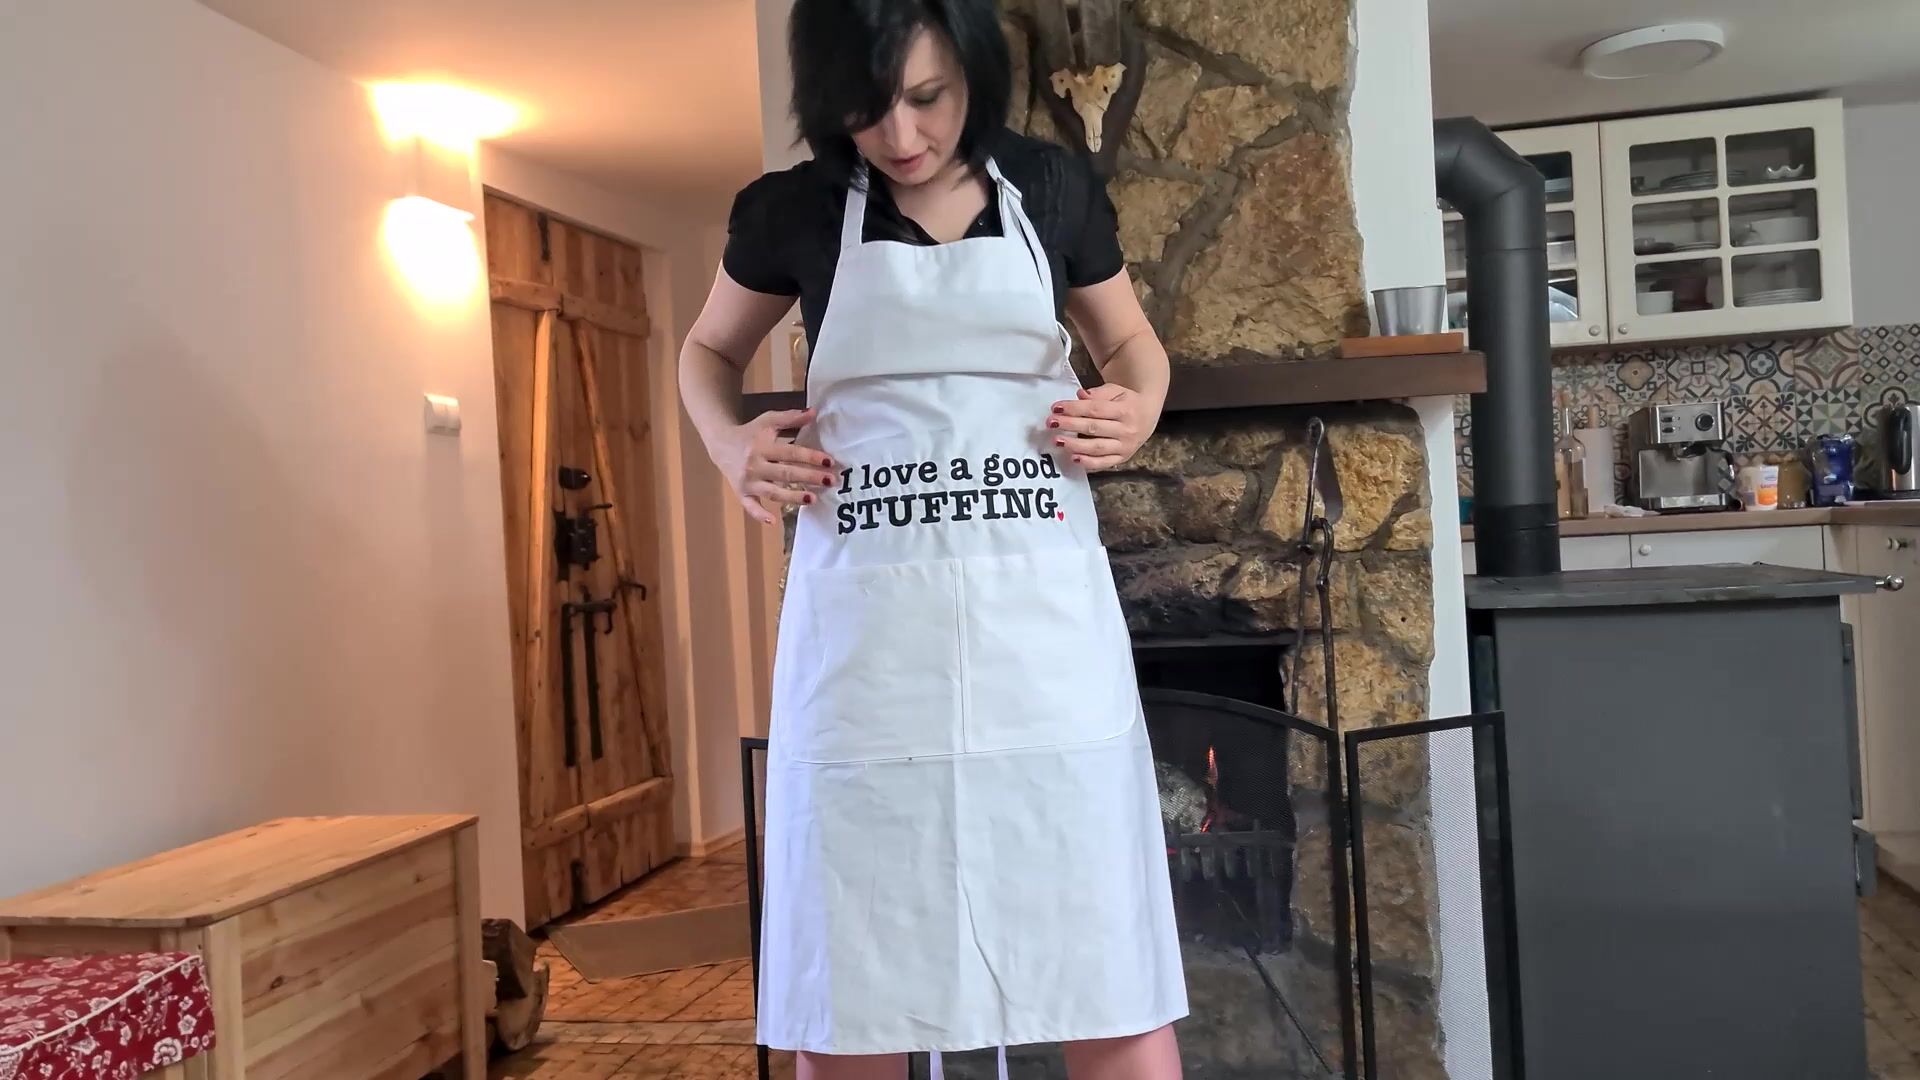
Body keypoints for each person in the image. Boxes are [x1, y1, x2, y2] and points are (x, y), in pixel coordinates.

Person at [678, 1, 1188, 1077]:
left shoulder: (1051, 188)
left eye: (927, 98)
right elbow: (707, 353)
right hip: (871, 652)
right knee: (854, 974)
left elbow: (1131, 344)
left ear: (974, 72)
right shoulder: (793, 210)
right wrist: (729, 445)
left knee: (1101, 956)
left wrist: (1138, 405)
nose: (901, 136)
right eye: (867, 110)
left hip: (1041, 641)